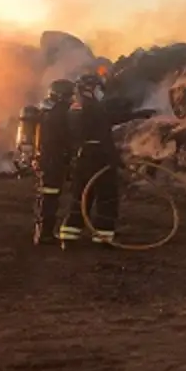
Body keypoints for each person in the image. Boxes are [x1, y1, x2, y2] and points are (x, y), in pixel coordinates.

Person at [60, 72, 123, 247]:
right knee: (107, 197)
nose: (100, 91)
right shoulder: (93, 107)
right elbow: (103, 136)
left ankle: (69, 235)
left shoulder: (75, 107)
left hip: (82, 158)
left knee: (80, 197)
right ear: (91, 88)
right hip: (99, 158)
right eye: (98, 87)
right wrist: (114, 158)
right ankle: (103, 237)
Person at [32, 79, 76, 245]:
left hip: (48, 160)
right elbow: (65, 138)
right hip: (52, 161)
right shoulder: (59, 114)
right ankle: (44, 235)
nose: (71, 98)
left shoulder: (47, 111)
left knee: (48, 196)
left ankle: (44, 232)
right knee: (49, 197)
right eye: (69, 95)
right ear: (60, 96)